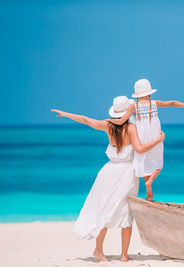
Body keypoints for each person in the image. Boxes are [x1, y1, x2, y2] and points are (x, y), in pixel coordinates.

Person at [50, 95, 165, 262]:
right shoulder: (132, 128)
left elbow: (85, 120)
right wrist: (158, 140)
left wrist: (66, 114)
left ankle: (99, 250)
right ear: (128, 111)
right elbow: (140, 150)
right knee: (126, 213)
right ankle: (124, 256)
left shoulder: (108, 125)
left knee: (105, 210)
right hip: (127, 173)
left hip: (108, 172)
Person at [108, 78, 184, 200]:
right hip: (155, 136)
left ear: (137, 95)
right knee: (158, 164)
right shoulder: (155, 103)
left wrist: (109, 121)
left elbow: (122, 120)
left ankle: (149, 192)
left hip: (142, 136)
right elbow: (171, 102)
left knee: (145, 162)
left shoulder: (134, 106)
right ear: (149, 93)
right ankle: (151, 182)